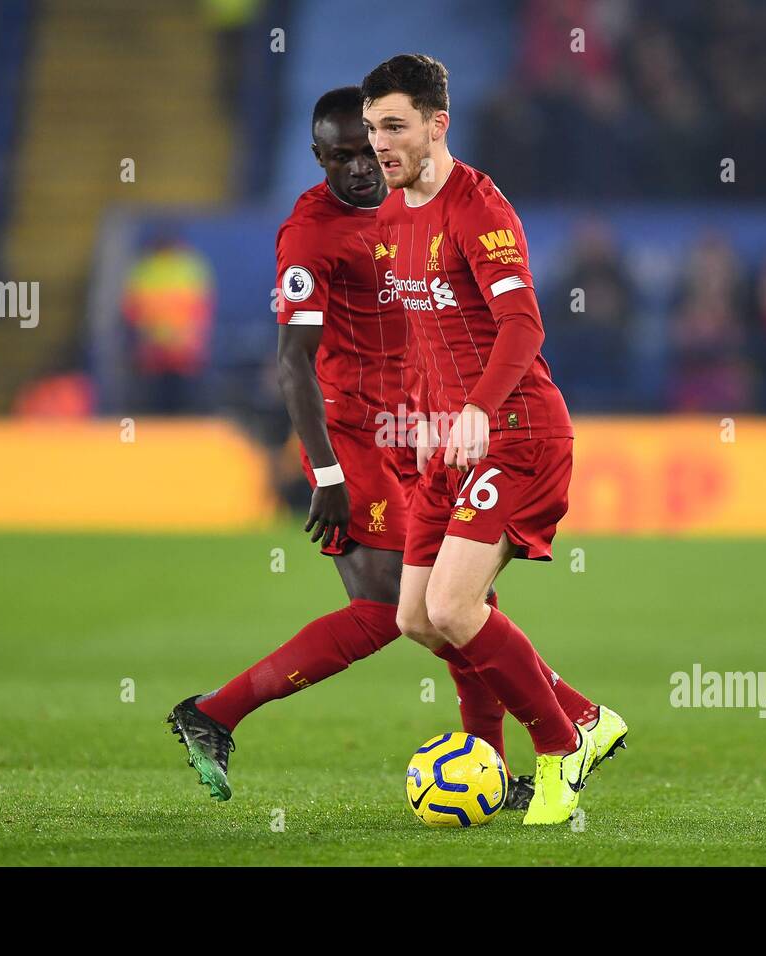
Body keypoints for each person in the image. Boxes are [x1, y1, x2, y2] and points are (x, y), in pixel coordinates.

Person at [167, 88, 594, 812]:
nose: (361, 168)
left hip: (421, 425)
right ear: (319, 159)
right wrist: (326, 471)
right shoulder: (311, 234)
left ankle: (499, 757)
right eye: (341, 158)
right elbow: (292, 361)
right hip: (354, 437)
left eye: (367, 150)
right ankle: (214, 712)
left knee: (458, 598)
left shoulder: (416, 205)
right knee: (393, 608)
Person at [362, 54, 626, 824]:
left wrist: (477, 406)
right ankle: (580, 713)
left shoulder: (478, 208)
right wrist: (417, 421)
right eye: (373, 128)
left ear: (437, 125)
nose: (380, 144)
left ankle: (559, 743)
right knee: (415, 615)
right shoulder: (387, 218)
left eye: (395, 127)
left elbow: (522, 323)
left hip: (515, 432)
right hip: (446, 443)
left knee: (452, 604)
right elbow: (421, 335)